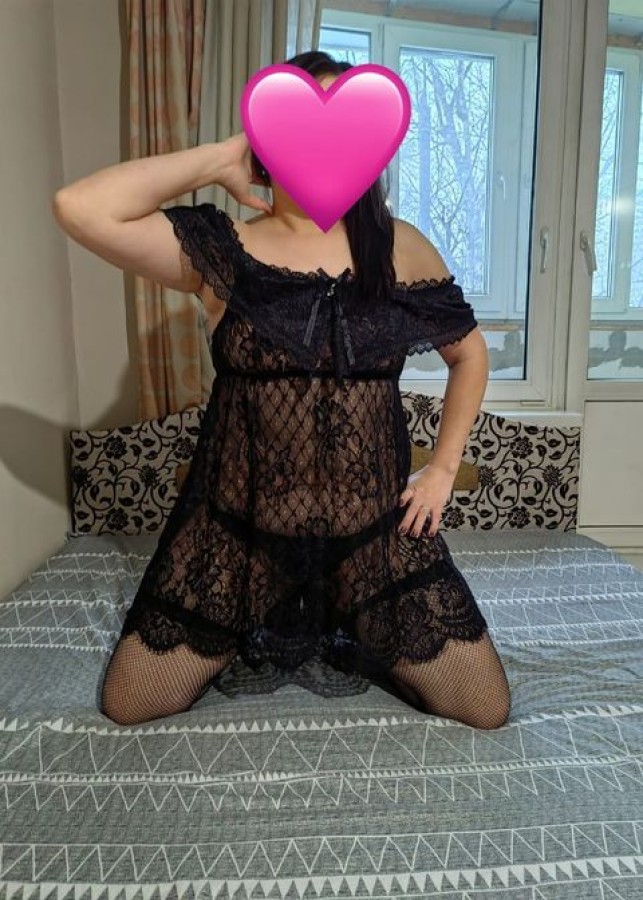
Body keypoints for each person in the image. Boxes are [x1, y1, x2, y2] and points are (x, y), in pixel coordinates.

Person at [53, 50, 511, 729]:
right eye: (300, 121)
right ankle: (269, 619)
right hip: (238, 538)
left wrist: (443, 468)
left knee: (484, 707)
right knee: (131, 703)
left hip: (372, 540)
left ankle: (349, 621)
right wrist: (220, 158)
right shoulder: (225, 250)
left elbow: (468, 354)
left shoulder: (400, 248)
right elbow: (80, 207)